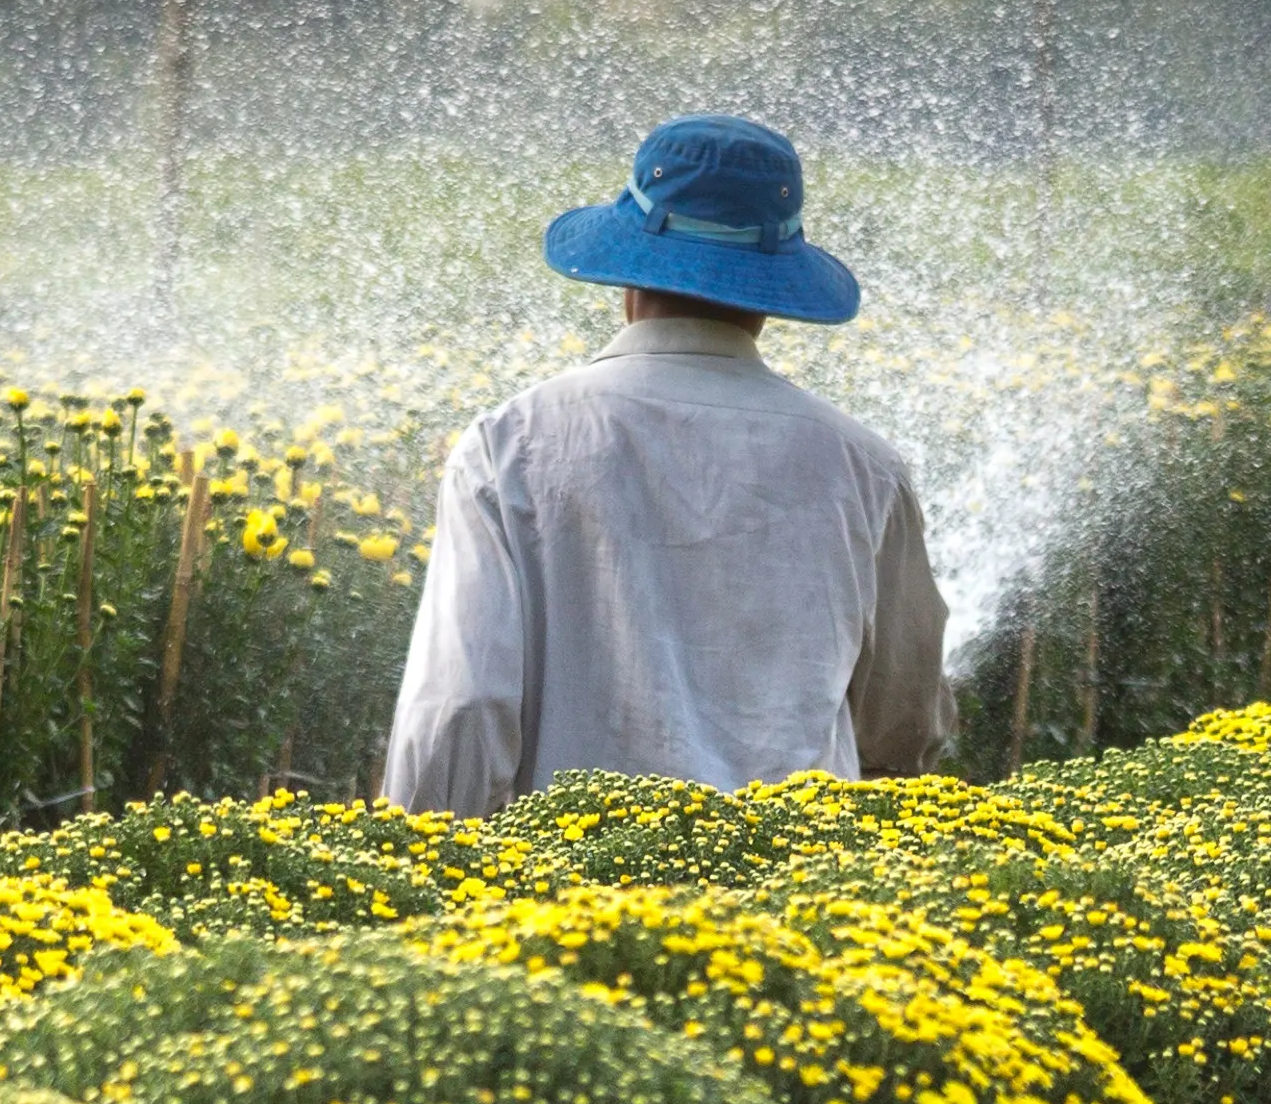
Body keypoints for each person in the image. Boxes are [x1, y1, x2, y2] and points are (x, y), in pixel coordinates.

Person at [376, 113, 950, 816]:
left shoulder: (511, 446)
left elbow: (459, 710)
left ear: (627, 279)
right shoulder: (865, 471)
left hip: (554, 896)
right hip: (797, 901)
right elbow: (905, 723)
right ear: (771, 295)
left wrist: (430, 876)